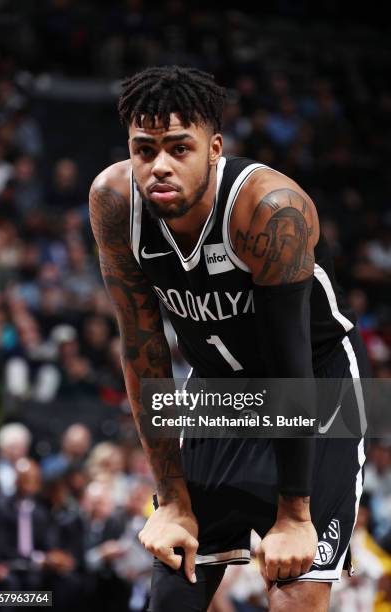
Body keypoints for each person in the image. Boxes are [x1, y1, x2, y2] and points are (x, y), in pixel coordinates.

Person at [88, 66, 370, 612]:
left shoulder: (269, 208)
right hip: (219, 390)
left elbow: (289, 366)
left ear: (214, 148)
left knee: (295, 592)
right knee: (173, 586)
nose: (159, 165)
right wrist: (170, 501)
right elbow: (141, 350)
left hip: (315, 384)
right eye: (144, 150)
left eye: (178, 147)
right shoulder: (114, 203)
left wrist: (293, 515)